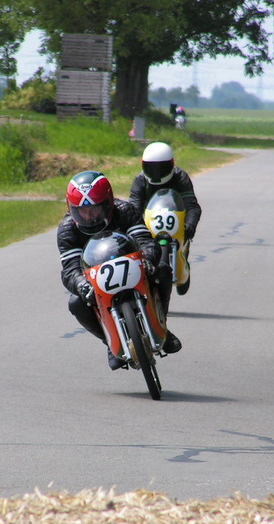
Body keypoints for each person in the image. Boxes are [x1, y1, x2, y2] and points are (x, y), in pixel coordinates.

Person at [57, 171, 182, 370]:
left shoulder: (125, 211)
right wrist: (80, 284)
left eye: (95, 209)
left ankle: (162, 326)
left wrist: (148, 260)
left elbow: (146, 241)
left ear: (108, 204)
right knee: (75, 303)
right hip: (95, 281)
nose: (89, 216)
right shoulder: (67, 230)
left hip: (133, 267)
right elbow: (70, 269)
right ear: (71, 209)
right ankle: (109, 341)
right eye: (82, 211)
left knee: (162, 270)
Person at [128, 141, 202, 242]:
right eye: (151, 168)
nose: (156, 173)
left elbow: (192, 206)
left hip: (177, 226)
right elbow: (134, 209)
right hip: (148, 226)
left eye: (161, 168)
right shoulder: (140, 180)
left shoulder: (180, 177)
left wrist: (189, 225)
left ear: (172, 164)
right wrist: (138, 229)